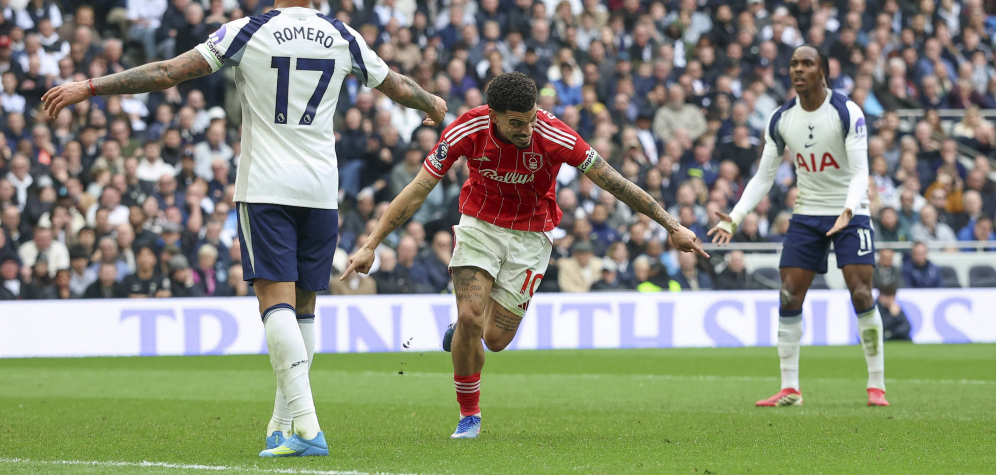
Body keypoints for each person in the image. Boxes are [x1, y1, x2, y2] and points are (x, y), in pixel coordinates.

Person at [42, 0, 446, 458]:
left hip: (266, 187)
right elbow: (399, 86)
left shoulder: (248, 31)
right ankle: (283, 429)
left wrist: (90, 87)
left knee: (273, 304)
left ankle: (307, 426)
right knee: (303, 309)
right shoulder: (342, 36)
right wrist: (432, 103)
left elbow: (167, 73)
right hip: (322, 191)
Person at [341, 71, 706, 439]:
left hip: (532, 236)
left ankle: (463, 334)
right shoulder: (466, 130)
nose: (527, 130)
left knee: (495, 340)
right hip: (480, 225)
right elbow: (418, 188)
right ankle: (470, 415)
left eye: (531, 119)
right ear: (492, 115)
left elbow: (614, 181)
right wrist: (371, 243)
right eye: (516, 123)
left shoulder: (555, 134)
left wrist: (671, 225)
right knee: (470, 316)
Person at [709, 45, 889, 407]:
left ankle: (876, 385)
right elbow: (764, 176)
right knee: (789, 295)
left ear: (822, 70)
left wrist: (850, 210)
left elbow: (860, 172)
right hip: (807, 214)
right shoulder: (781, 118)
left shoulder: (846, 112)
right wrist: (736, 215)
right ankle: (790, 388)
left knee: (861, 294)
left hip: (850, 212)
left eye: (807, 63)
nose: (798, 69)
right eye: (793, 64)